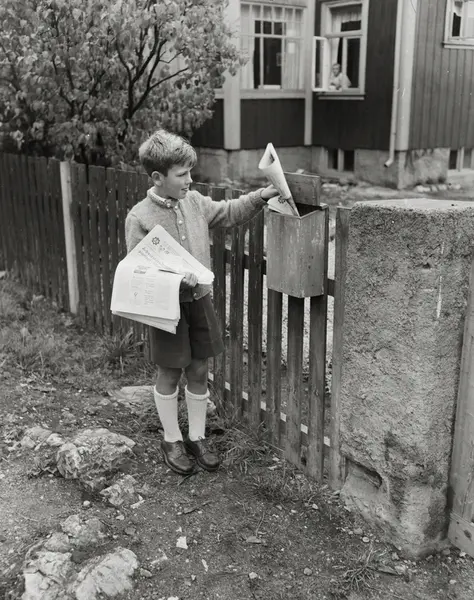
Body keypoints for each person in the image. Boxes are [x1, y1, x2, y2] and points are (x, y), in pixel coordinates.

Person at [125, 129, 279, 476]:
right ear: (157, 177)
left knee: (198, 370)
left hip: (200, 303)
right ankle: (171, 439)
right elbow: (138, 272)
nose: (190, 180)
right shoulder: (139, 218)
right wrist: (174, 281)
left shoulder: (194, 202)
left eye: (190, 172)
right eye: (182, 174)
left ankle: (197, 437)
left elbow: (229, 211)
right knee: (170, 371)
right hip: (167, 310)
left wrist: (262, 195)